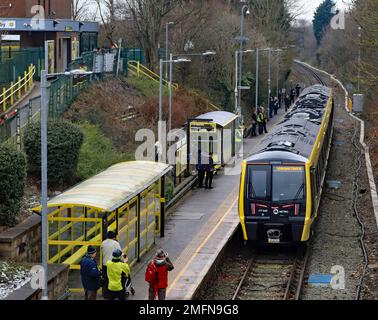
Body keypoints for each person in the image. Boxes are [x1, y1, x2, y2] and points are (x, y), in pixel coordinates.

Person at [101, 230, 122, 298]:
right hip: (113, 265)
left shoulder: (103, 243)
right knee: (113, 279)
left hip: (105, 264)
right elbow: (120, 253)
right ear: (114, 237)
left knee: (106, 280)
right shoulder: (115, 243)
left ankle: (105, 294)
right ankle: (114, 294)